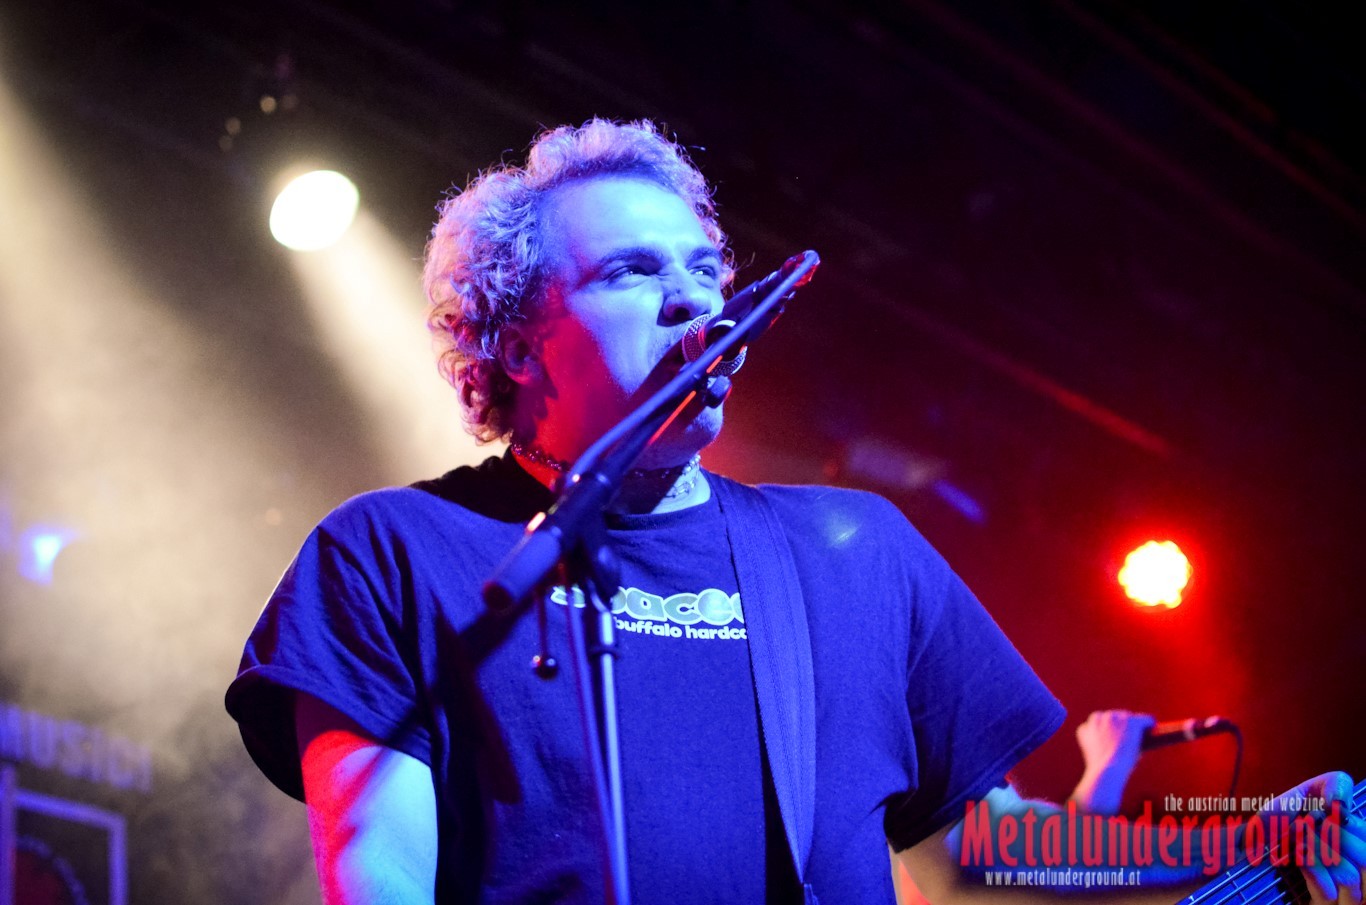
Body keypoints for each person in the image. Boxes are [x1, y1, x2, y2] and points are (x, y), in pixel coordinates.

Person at [226, 120, 1364, 905]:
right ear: (517, 342)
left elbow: (984, 856)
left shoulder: (853, 551)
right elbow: (379, 876)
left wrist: (1252, 834)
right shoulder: (394, 554)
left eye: (703, 266)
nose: (693, 297)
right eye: (631, 271)